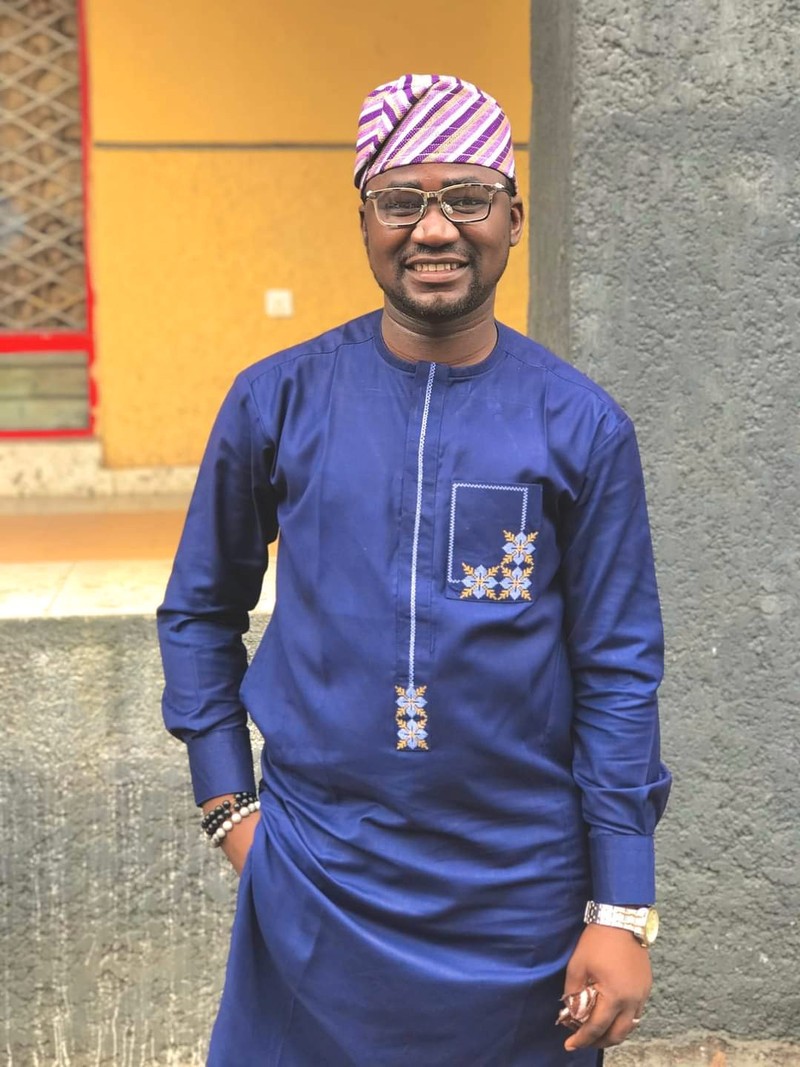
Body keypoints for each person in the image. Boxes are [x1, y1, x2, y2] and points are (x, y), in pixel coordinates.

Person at [158, 73, 671, 1066]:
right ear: (364, 221)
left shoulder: (580, 425)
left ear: (513, 217)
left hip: (520, 896)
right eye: (401, 200)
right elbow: (198, 610)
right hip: (316, 876)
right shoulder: (277, 400)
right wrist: (228, 805)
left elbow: (617, 668)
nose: (434, 229)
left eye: (467, 198)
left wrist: (619, 903)